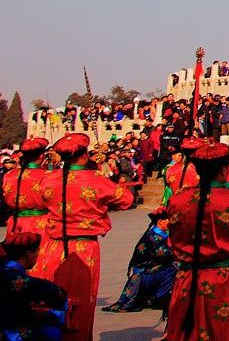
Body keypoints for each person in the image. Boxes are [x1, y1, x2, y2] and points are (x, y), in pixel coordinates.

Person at [165, 142, 229, 341]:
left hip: (188, 277)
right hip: (226, 280)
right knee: (225, 332)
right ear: (223, 171)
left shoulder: (177, 199)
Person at [36, 132, 135, 340]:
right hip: (84, 248)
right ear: (84, 156)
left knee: (52, 300)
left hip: (52, 247)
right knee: (82, 302)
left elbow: (40, 202)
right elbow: (126, 199)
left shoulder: (47, 179)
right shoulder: (95, 179)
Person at [102, 208, 175, 313]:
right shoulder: (153, 237)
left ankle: (155, 296)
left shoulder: (158, 234)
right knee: (174, 267)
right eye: (168, 219)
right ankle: (159, 297)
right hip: (143, 275)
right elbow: (166, 254)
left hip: (151, 271)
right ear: (160, 221)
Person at [0, 231, 67, 341]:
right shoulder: (21, 280)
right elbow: (58, 295)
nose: (38, 255)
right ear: (29, 254)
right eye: (37, 251)